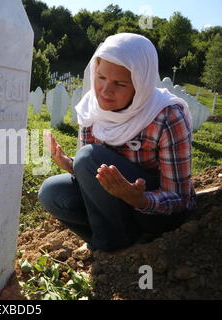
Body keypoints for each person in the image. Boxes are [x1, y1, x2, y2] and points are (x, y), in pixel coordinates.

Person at [38, 33, 196, 252]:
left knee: (87, 157)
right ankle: (122, 240)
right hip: (116, 206)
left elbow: (180, 197)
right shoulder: (92, 109)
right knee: (52, 193)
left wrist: (139, 199)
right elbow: (93, 172)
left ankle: (108, 249)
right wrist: (70, 166)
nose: (105, 90)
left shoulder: (166, 117)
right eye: (101, 78)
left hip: (156, 212)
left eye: (119, 84)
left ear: (140, 84)